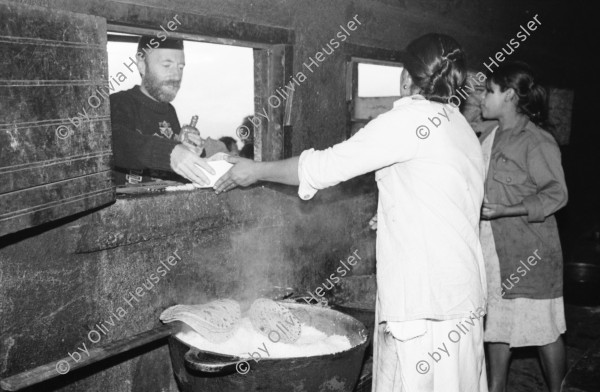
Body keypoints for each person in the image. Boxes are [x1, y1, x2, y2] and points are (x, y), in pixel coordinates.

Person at [215, 33, 488, 392]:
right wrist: (396, 214)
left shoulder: (410, 120)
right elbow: (446, 199)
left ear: (407, 78)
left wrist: (255, 170)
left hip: (426, 301)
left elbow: (323, 167)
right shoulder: (460, 127)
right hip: (461, 294)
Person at [478, 62, 567, 392]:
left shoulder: (537, 141)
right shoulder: (490, 137)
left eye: (489, 91)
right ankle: (496, 388)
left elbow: (557, 194)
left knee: (543, 328)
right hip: (493, 250)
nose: (482, 98)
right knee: (497, 325)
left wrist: (505, 210)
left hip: (530, 255)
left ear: (510, 96)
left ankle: (562, 388)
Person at [110, 36, 216, 186]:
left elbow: (174, 166)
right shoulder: (119, 102)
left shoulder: (170, 111)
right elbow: (115, 142)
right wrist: (170, 153)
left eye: (180, 67)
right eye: (167, 65)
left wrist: (191, 151)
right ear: (142, 65)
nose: (176, 76)